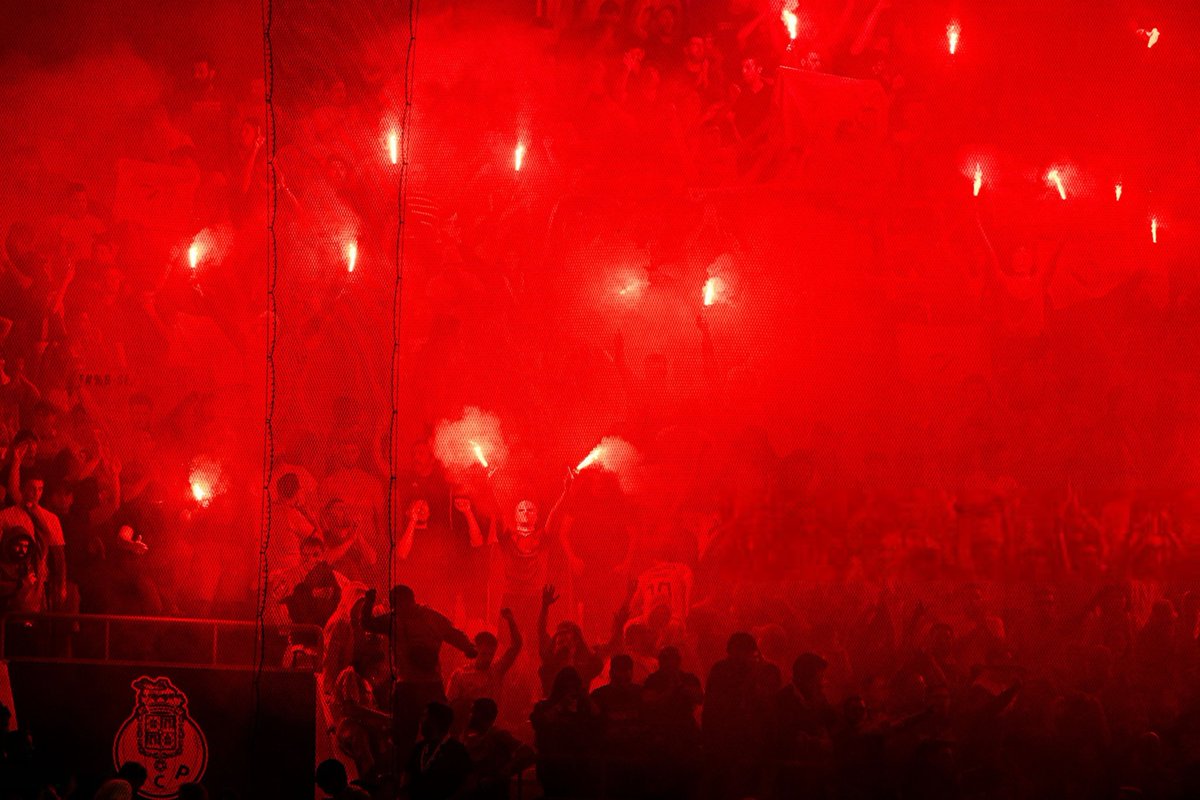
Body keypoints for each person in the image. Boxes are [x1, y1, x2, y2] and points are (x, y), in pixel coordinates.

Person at [360, 585, 477, 770]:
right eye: (394, 605)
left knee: (437, 730)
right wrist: (368, 603)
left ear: (410, 601)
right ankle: (406, 772)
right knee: (404, 734)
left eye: (398, 604)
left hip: (427, 684)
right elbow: (367, 623)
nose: (397, 608)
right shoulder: (394, 619)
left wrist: (469, 648)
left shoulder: (430, 617)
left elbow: (453, 633)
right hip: (407, 684)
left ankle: (437, 768)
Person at [446, 608, 522, 734]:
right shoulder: (460, 675)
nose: (488, 658)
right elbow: (449, 706)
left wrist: (511, 620)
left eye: (491, 654)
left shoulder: (497, 670)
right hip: (468, 731)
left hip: (492, 730)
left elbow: (516, 645)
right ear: (476, 650)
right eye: (484, 654)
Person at [332, 649, 393, 780]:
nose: (376, 671)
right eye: (375, 667)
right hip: (349, 727)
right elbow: (351, 709)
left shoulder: (365, 681)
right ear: (368, 662)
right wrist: (384, 718)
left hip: (364, 727)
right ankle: (368, 777)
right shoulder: (350, 675)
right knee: (361, 740)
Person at [461, 698, 535, 800]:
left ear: (481, 714)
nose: (470, 716)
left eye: (473, 712)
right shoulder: (472, 737)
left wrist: (507, 770)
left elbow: (527, 752)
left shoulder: (498, 735)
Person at [402, 702, 471, 800]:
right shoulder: (419, 747)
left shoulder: (457, 752)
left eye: (425, 715)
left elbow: (465, 785)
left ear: (434, 721)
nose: (421, 720)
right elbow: (407, 774)